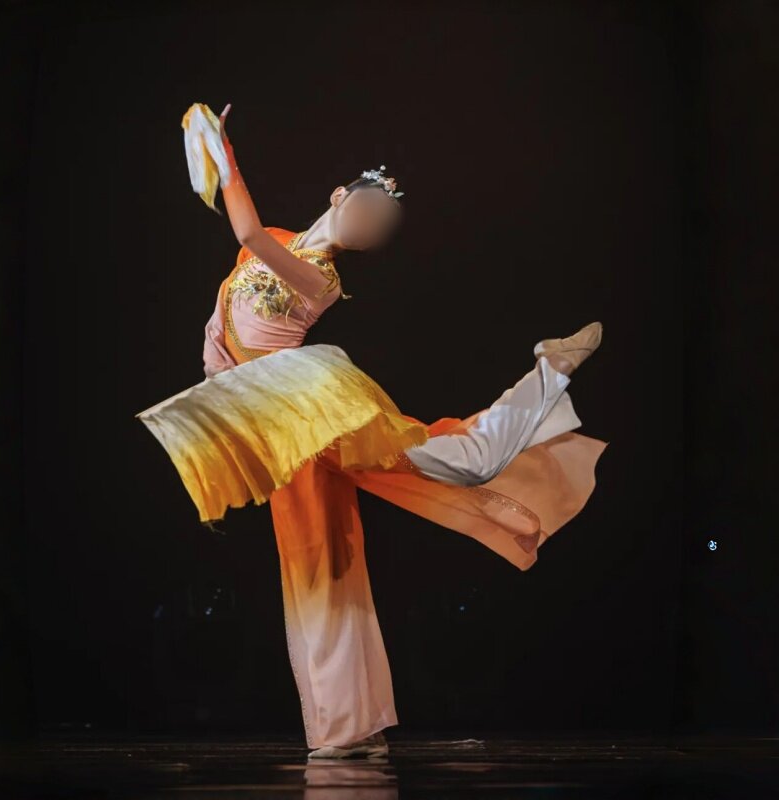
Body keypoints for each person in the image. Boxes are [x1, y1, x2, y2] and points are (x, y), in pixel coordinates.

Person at [134, 102, 609, 760]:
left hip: (307, 403)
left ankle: (549, 370)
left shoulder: (321, 280)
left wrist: (227, 154)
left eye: (379, 227)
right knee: (319, 564)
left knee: (457, 462)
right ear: (338, 196)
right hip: (275, 425)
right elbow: (230, 297)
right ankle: (348, 726)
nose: (369, 227)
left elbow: (244, 225)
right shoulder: (273, 240)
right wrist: (210, 147)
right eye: (366, 210)